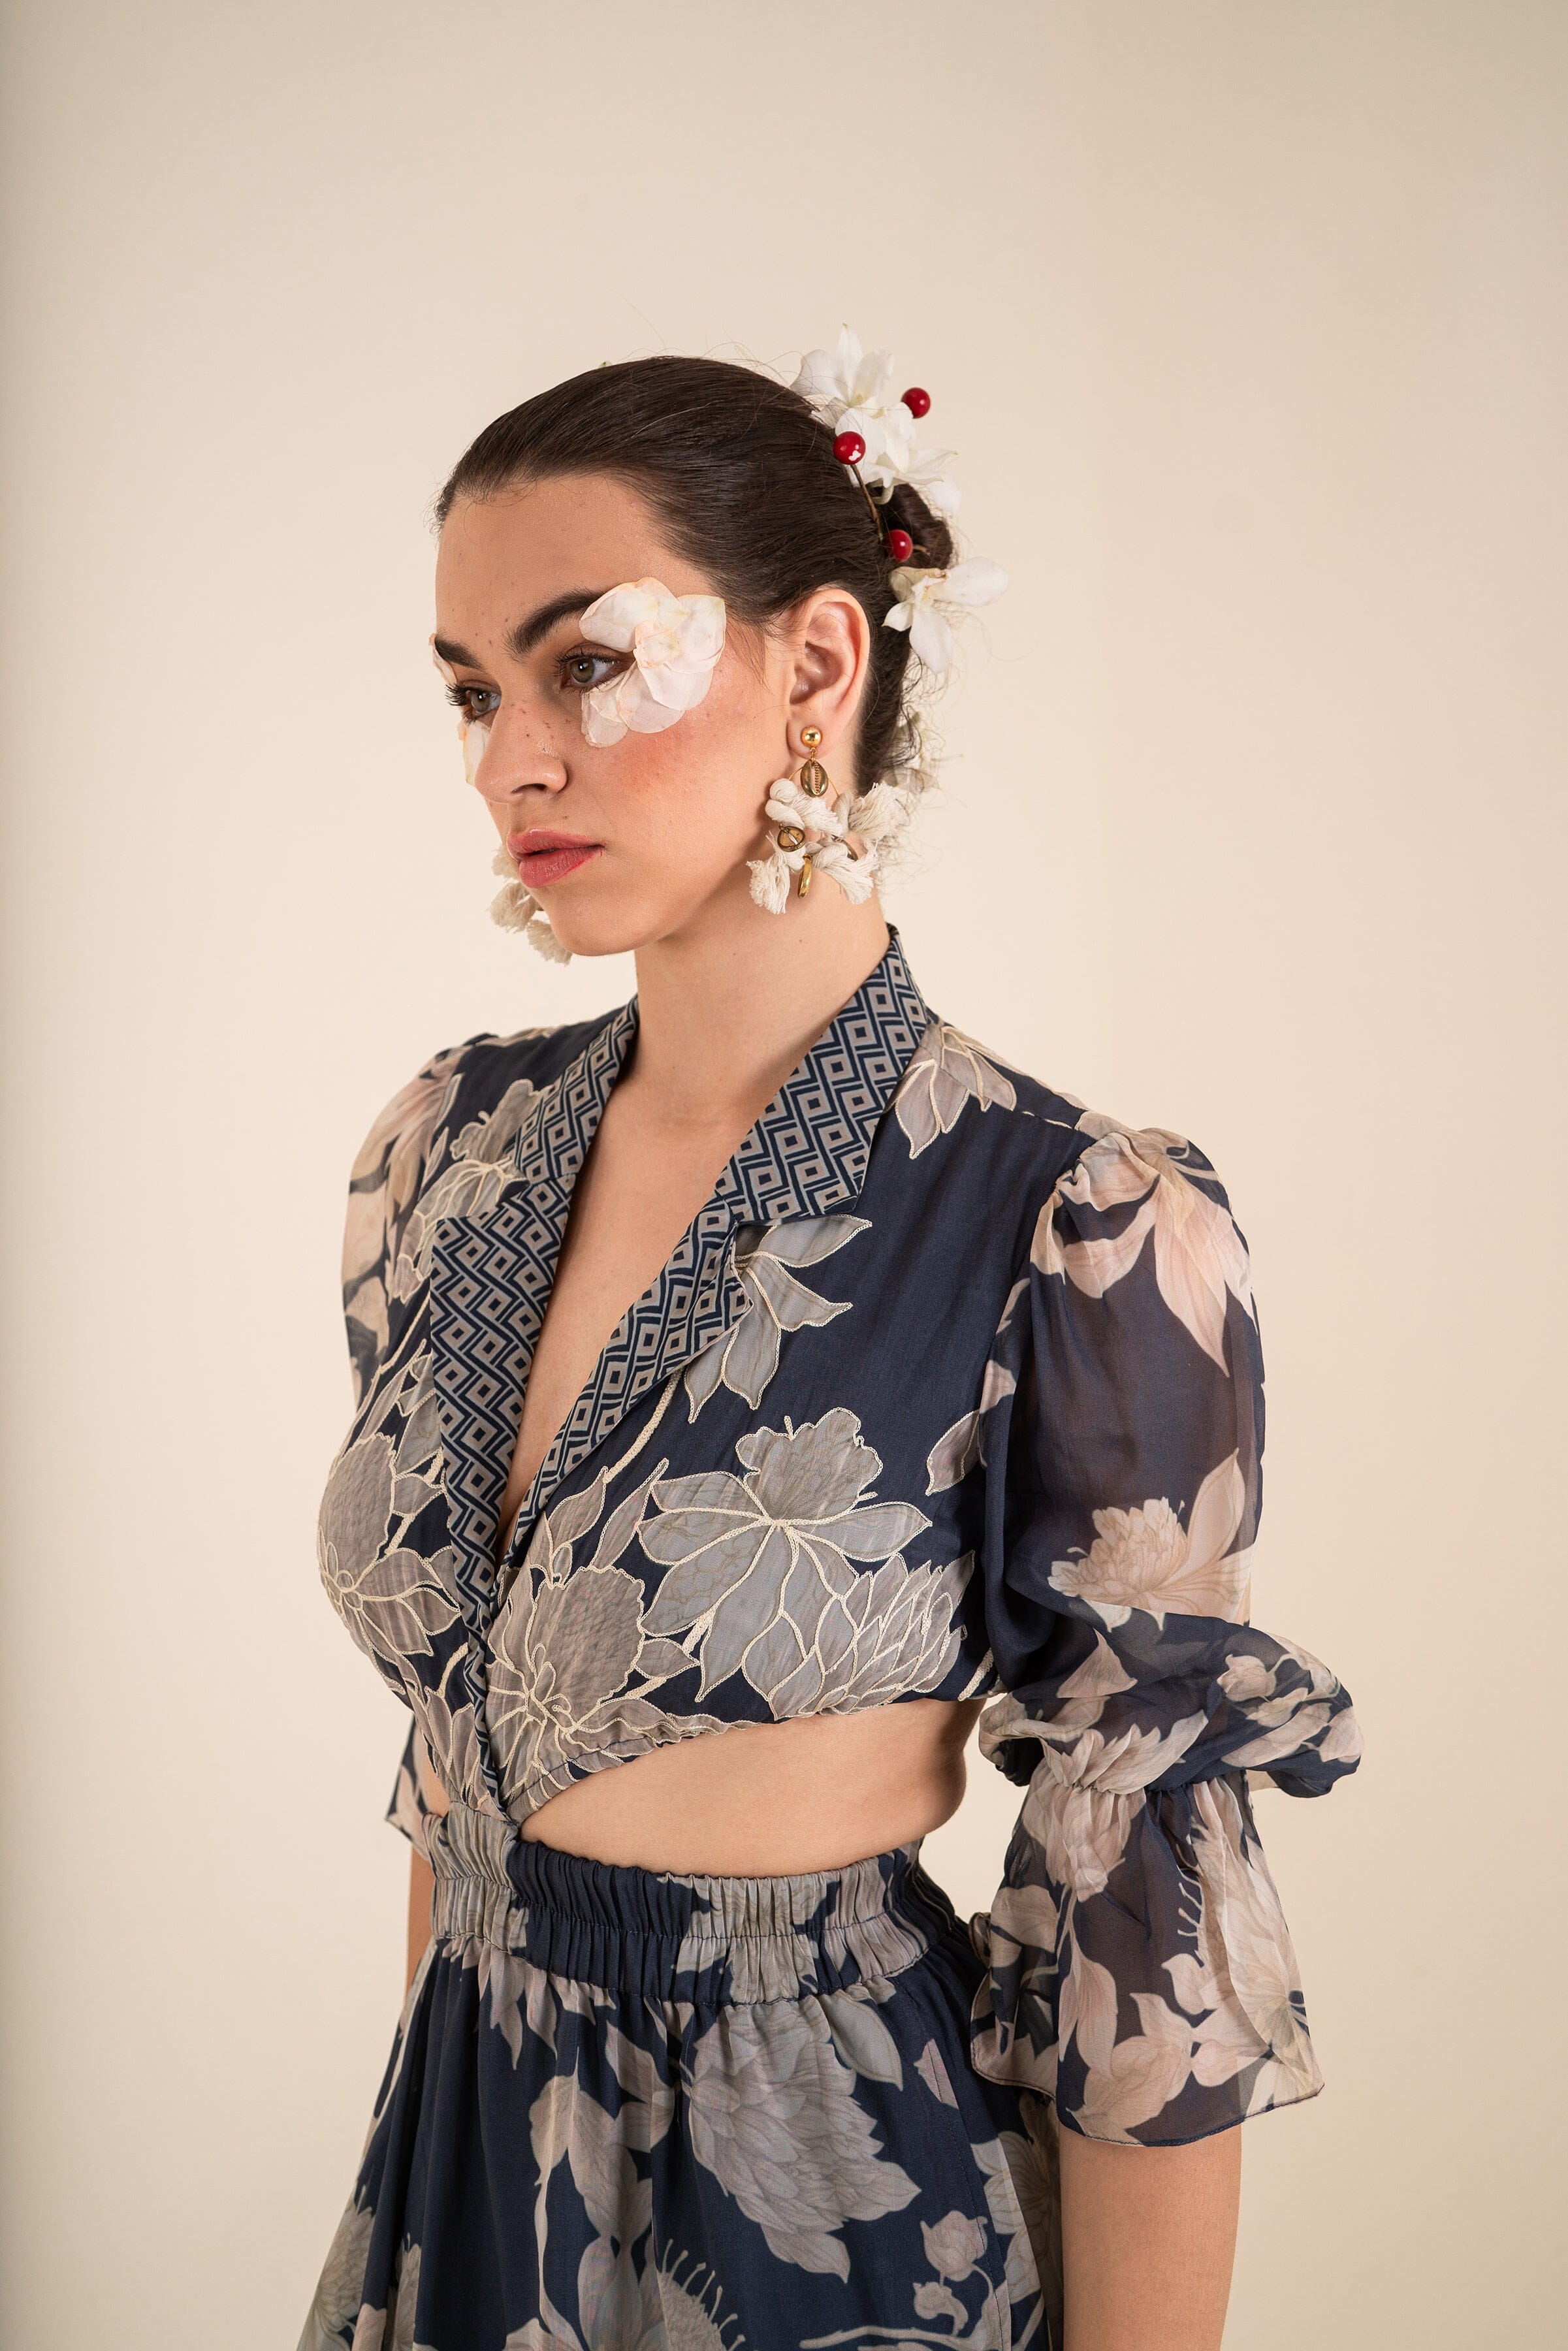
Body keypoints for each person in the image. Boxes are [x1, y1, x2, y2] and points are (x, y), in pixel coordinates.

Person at [302, 334, 1360, 2351]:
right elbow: (458, 1771)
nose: (506, 759)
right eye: (471, 692)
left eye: (583, 663)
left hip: (825, 2211)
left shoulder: (1074, 1219)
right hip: (458, 2178)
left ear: (812, 663)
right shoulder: (444, 1151)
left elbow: (1137, 1913)